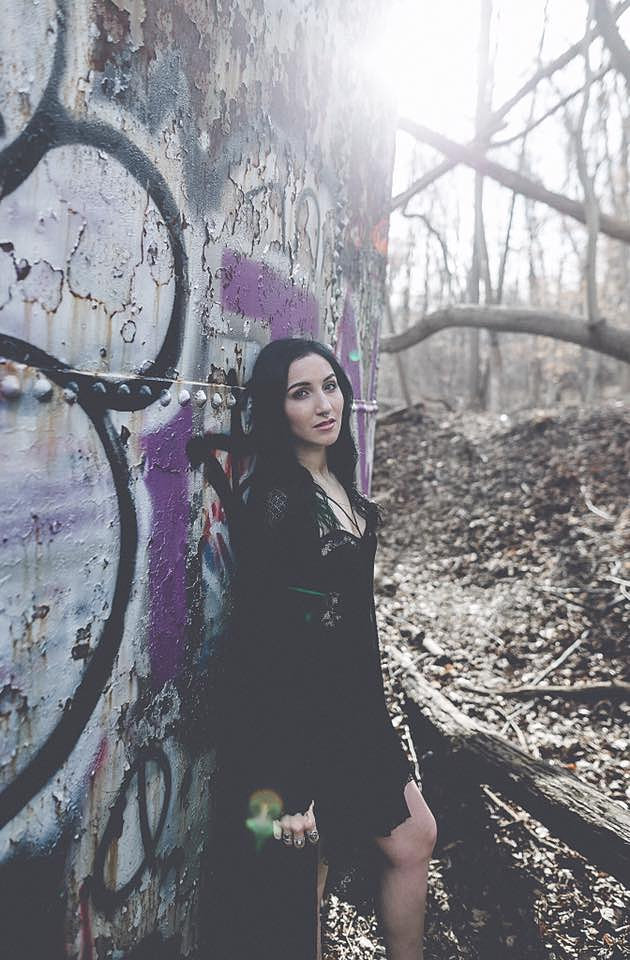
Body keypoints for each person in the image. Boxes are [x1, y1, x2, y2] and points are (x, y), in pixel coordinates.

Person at [210, 337, 437, 960]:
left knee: (412, 837)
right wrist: (284, 782)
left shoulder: (336, 480)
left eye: (330, 386)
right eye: (300, 393)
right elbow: (271, 645)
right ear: (275, 408)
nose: (323, 404)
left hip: (356, 710)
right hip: (308, 719)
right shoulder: (280, 501)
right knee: (302, 880)